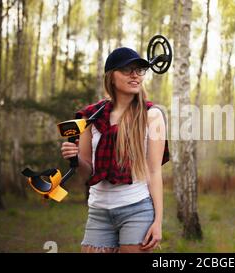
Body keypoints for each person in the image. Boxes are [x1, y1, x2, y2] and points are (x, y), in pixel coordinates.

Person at [61, 47, 169, 253]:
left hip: (136, 209)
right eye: (127, 70)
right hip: (98, 211)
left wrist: (158, 221)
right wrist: (75, 158)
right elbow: (87, 174)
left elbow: (154, 172)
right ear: (111, 77)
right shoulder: (90, 118)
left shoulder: (152, 115)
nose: (135, 75)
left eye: (139, 70)